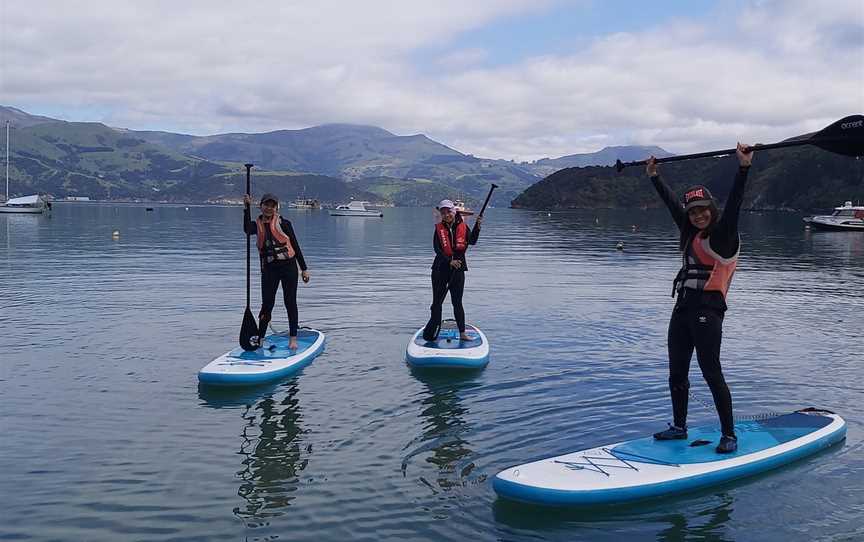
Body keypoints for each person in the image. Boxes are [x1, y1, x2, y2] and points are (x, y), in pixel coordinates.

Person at [646, 143, 754, 454]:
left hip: (708, 311)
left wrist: (743, 168)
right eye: (693, 211)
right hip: (682, 309)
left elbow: (734, 205)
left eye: (703, 210)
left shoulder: (723, 235)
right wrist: (654, 177)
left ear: (712, 209)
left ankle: (729, 434)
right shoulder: (690, 231)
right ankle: (679, 427)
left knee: (711, 371)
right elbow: (671, 206)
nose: (698, 215)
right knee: (676, 371)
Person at [243, 193, 310, 350]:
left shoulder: (284, 223)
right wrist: (246, 207)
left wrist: (304, 269)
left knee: (290, 302)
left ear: (276, 208)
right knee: (267, 305)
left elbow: (295, 245)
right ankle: (260, 337)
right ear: (261, 206)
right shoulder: (256, 225)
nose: (269, 208)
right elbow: (246, 229)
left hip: (289, 267)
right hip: (269, 269)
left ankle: (293, 337)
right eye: (266, 205)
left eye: (272, 206)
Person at [422, 199, 482, 342]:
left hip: (458, 270)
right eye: (443, 212)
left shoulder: (463, 227)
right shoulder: (438, 229)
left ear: (454, 212)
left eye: (448, 211)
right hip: (440, 270)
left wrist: (478, 227)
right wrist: (450, 261)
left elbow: (472, 241)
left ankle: (462, 333)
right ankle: (433, 330)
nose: (446, 214)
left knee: (457, 302)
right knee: (437, 302)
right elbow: (437, 249)